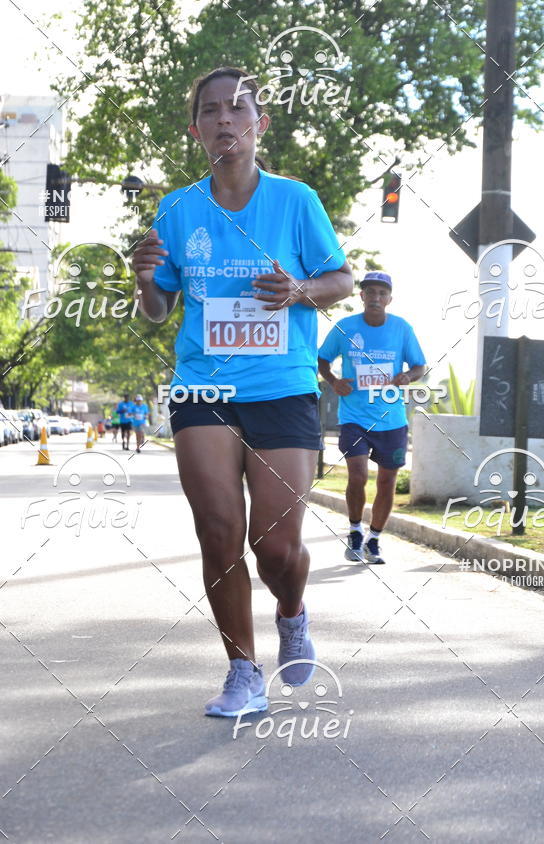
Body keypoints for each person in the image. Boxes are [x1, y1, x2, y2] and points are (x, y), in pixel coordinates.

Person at [132, 66, 352, 718]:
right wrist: (143, 280)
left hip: (282, 385)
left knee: (276, 548)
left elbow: (341, 279)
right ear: (195, 129)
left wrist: (301, 290)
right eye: (210, 110)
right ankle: (242, 671)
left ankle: (292, 613)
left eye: (237, 107)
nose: (224, 118)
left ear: (261, 123)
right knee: (219, 532)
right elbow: (157, 310)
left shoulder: (296, 200)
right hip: (203, 386)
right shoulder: (177, 209)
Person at [318, 271, 426, 565]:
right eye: (371, 292)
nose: (376, 298)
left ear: (389, 298)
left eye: (382, 293)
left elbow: (420, 366)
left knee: (387, 482)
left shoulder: (401, 329)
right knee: (358, 475)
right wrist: (333, 381)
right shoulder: (345, 327)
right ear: (362, 296)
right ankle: (355, 532)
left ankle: (374, 539)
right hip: (354, 417)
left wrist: (407, 376)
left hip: (392, 419)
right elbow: (322, 359)